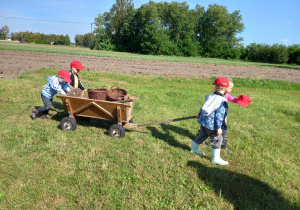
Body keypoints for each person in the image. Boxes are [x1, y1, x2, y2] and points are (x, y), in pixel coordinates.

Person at [190, 77, 230, 165]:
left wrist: (199, 114)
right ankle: (215, 158)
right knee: (217, 140)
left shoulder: (210, 96)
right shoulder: (222, 101)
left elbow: (204, 106)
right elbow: (219, 116)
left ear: (215, 87)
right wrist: (219, 127)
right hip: (213, 126)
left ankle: (193, 149)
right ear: (226, 89)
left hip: (204, 122)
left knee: (201, 135)